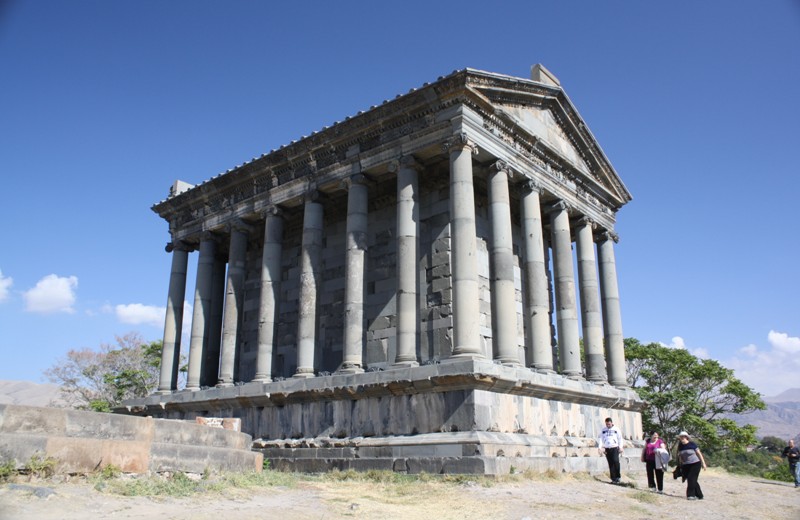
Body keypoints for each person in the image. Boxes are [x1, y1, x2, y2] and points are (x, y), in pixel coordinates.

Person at [677, 431, 706, 500]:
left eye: (683, 437)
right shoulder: (680, 446)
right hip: (686, 465)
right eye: (681, 437)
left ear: (687, 437)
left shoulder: (692, 444)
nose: (682, 438)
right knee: (693, 480)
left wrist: (703, 463)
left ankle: (691, 495)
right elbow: (680, 456)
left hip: (695, 463)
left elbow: (699, 454)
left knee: (691, 478)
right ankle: (700, 495)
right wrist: (681, 464)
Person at [598, 417, 624, 484]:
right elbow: (601, 439)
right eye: (607, 424)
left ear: (611, 423)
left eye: (609, 424)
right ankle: (613, 478)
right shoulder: (603, 430)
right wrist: (599, 447)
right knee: (610, 463)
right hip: (607, 448)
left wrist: (621, 447)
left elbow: (620, 438)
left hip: (614, 447)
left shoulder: (616, 429)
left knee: (616, 461)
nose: (608, 425)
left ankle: (618, 476)